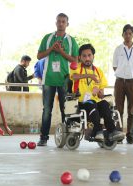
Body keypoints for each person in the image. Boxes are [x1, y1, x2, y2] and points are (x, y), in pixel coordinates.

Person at [37, 13, 79, 146]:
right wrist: (51, 49)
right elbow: (39, 56)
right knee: (47, 110)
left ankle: (66, 138)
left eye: (63, 21)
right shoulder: (47, 38)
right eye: (59, 21)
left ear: (67, 24)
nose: (61, 23)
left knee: (65, 109)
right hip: (48, 79)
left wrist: (61, 51)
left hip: (64, 80)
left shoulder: (71, 40)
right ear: (55, 23)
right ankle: (43, 138)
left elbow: (76, 61)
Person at [70, 44, 125, 142]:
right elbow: (74, 77)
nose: (87, 58)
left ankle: (112, 131)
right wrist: (90, 76)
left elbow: (101, 94)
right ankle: (98, 131)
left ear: (93, 56)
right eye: (84, 56)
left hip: (95, 101)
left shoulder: (99, 72)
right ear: (80, 57)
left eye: (89, 55)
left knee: (104, 104)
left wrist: (99, 93)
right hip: (82, 101)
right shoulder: (76, 68)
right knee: (92, 104)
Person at [113, 24, 133, 144]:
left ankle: (130, 134)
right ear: (122, 35)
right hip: (120, 81)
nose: (128, 35)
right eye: (126, 33)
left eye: (130, 33)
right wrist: (123, 74)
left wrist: (131, 74)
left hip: (132, 82)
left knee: (131, 109)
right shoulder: (118, 49)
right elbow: (115, 66)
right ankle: (119, 134)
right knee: (118, 109)